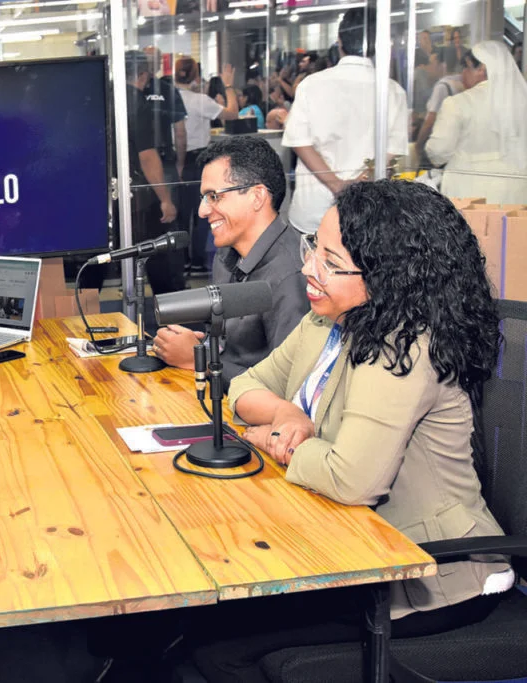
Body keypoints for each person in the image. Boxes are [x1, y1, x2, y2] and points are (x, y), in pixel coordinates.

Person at [188, 180, 511, 681]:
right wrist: (287, 415)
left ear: (389, 276)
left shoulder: (403, 348)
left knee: (220, 647)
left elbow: (352, 479)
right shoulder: (329, 321)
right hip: (355, 545)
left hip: (431, 573)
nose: (308, 269)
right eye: (313, 247)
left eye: (331, 262)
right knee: (206, 618)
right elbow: (244, 387)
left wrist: (277, 442)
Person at [152, 136, 308, 386]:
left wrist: (199, 360)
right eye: (204, 198)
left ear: (257, 196)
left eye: (214, 196)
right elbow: (228, 347)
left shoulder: (291, 275)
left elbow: (288, 385)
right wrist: (198, 345)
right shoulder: (226, 255)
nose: (202, 211)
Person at [282, 7, 408, 234]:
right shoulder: (393, 91)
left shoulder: (311, 84)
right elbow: (392, 151)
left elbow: (300, 143)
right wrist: (359, 184)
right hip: (368, 211)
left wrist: (338, 186)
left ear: (339, 41)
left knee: (307, 256)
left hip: (314, 211)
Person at [425, 41, 527, 204]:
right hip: (516, 191)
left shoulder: (458, 103)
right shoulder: (521, 102)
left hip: (471, 191)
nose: (463, 73)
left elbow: (439, 151)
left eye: (466, 67)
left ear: (482, 69)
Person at [121, 51, 179, 294]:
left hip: (112, 194)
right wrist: (165, 199)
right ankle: (170, 310)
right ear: (143, 75)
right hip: (139, 196)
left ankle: (84, 310)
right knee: (158, 256)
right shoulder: (138, 103)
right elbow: (147, 156)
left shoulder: (107, 98)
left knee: (100, 265)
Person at [175, 57, 239, 274]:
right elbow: (232, 113)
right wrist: (228, 85)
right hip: (198, 159)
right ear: (195, 76)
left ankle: (181, 261)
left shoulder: (171, 98)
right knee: (202, 213)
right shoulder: (200, 100)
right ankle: (197, 261)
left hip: (176, 158)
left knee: (182, 214)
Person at [141, 46, 189, 294]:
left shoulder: (130, 92)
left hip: (136, 168)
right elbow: (180, 133)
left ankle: (144, 280)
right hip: (164, 162)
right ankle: (173, 288)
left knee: (143, 224)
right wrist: (179, 164)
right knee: (169, 226)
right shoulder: (168, 91)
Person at [414, 46, 463, 165]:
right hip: (457, 145)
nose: (428, 68)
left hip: (441, 145)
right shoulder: (461, 81)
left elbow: (430, 120)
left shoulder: (442, 87)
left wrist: (418, 145)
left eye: (431, 64)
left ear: (442, 65)